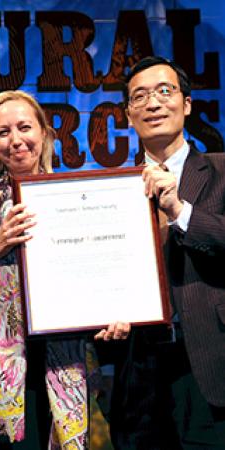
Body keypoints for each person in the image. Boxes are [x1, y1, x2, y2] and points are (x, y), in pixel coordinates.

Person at [0, 90, 130, 449]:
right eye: (3, 132)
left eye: (24, 127)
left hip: (62, 349)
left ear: (44, 132)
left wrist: (115, 311)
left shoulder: (77, 197)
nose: (15, 140)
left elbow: (99, 272)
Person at [106, 56, 225, 449]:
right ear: (128, 115)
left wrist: (179, 210)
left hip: (211, 364)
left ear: (187, 104)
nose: (153, 103)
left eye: (164, 91)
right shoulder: (108, 190)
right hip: (136, 368)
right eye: (140, 97)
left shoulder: (222, 171)